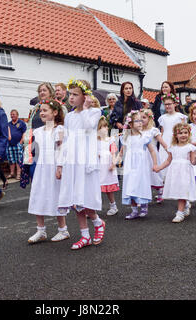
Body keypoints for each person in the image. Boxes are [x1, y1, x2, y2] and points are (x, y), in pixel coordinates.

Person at [57, 79, 105, 250]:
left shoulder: (94, 112)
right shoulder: (69, 116)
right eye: (70, 94)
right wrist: (60, 163)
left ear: (85, 97)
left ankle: (98, 223)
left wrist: (85, 109)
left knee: (86, 199)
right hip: (72, 161)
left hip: (86, 161)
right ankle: (85, 236)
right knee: (76, 201)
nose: (71, 97)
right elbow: (67, 140)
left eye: (75, 94)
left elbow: (88, 128)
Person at [27, 99, 70, 243]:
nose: (42, 113)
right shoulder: (38, 131)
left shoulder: (60, 130)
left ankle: (63, 230)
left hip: (54, 167)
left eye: (45, 110)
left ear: (55, 112)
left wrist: (60, 167)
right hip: (41, 167)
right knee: (39, 194)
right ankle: (41, 230)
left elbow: (61, 149)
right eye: (41, 111)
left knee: (56, 196)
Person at [154, 123, 196, 223]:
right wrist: (159, 168)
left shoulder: (190, 147)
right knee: (179, 190)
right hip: (175, 172)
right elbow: (168, 160)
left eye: (185, 133)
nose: (183, 135)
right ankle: (186, 204)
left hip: (185, 172)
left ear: (189, 134)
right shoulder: (172, 147)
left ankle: (179, 213)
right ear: (175, 135)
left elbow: (193, 162)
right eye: (180, 133)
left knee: (182, 192)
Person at [116, 110, 158, 219]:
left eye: (141, 120)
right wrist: (116, 161)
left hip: (141, 165)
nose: (140, 123)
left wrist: (155, 164)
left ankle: (144, 206)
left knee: (141, 183)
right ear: (130, 124)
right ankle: (134, 210)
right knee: (131, 185)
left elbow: (152, 151)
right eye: (137, 121)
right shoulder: (126, 137)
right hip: (130, 165)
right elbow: (122, 151)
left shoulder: (144, 136)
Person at [157, 93, 188, 177]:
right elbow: (162, 131)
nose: (167, 106)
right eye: (165, 104)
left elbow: (184, 130)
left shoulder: (180, 117)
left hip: (175, 140)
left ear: (175, 104)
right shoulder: (162, 118)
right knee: (164, 159)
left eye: (169, 104)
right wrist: (162, 143)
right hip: (165, 140)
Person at [140, 108, 167, 204]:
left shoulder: (153, 130)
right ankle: (142, 196)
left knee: (154, 175)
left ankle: (160, 192)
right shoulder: (137, 130)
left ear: (150, 119)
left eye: (144, 117)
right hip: (141, 156)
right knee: (142, 175)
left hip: (152, 156)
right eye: (140, 117)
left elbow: (162, 142)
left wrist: (169, 150)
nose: (141, 119)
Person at [97, 117, 120, 216]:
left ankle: (113, 205)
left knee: (108, 188)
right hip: (97, 166)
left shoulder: (110, 140)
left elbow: (114, 153)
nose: (106, 129)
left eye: (106, 126)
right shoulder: (94, 141)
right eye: (103, 127)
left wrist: (113, 164)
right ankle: (93, 208)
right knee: (95, 188)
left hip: (107, 166)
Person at [7, 109, 26, 179]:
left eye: (13, 114)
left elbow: (24, 133)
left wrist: (21, 142)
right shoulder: (8, 124)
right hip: (10, 145)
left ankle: (18, 174)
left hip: (18, 144)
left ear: (17, 115)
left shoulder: (21, 123)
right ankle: (12, 173)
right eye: (11, 114)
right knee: (11, 160)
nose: (12, 116)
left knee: (18, 160)